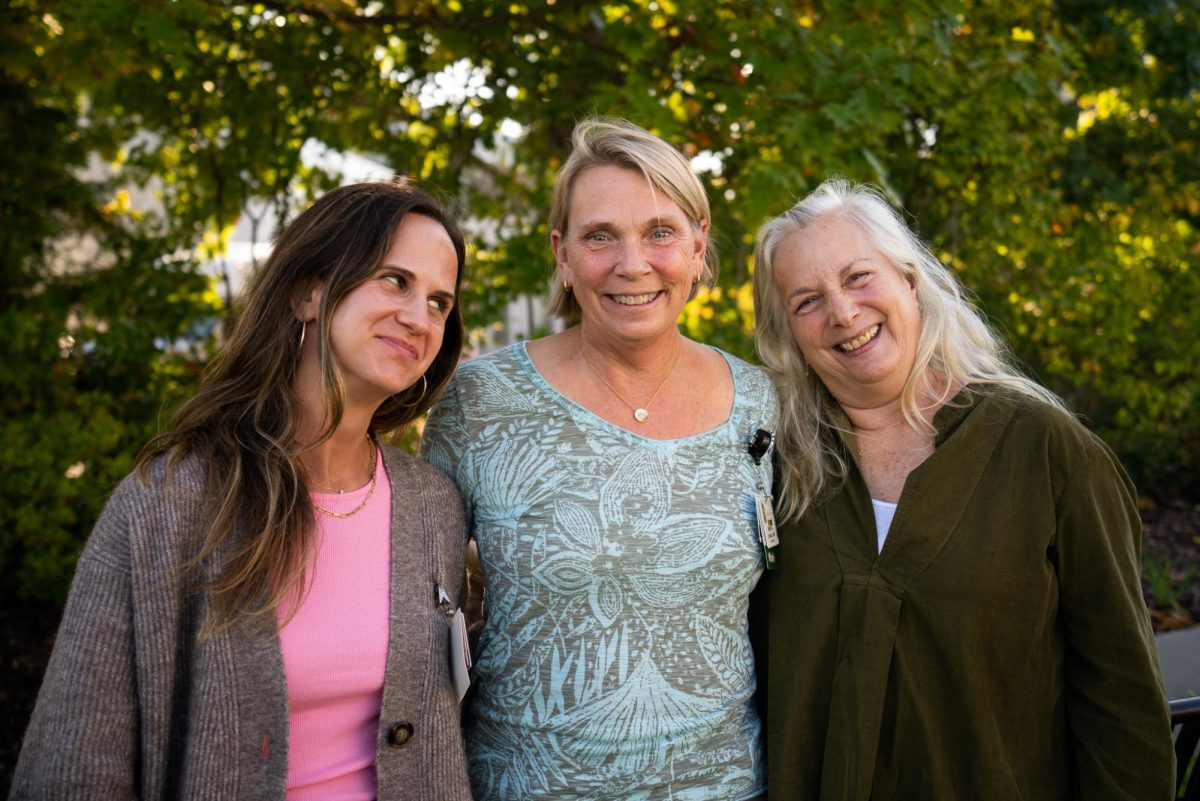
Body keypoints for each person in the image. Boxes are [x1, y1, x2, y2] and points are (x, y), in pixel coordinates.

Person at [11, 181, 473, 801]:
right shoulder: (172, 502)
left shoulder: (432, 507)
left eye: (440, 302)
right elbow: (75, 761)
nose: (420, 317)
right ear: (307, 292)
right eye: (395, 280)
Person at [749, 177, 1175, 800]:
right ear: (789, 335)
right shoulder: (779, 466)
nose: (842, 312)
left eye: (859, 277)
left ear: (910, 281)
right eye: (806, 301)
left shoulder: (1046, 451)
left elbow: (1122, 697)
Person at [421, 117, 777, 801]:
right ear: (561, 253)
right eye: (599, 236)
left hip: (725, 785)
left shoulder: (760, 402)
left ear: (699, 244)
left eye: (660, 233)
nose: (632, 263)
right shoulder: (482, 403)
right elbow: (419, 604)